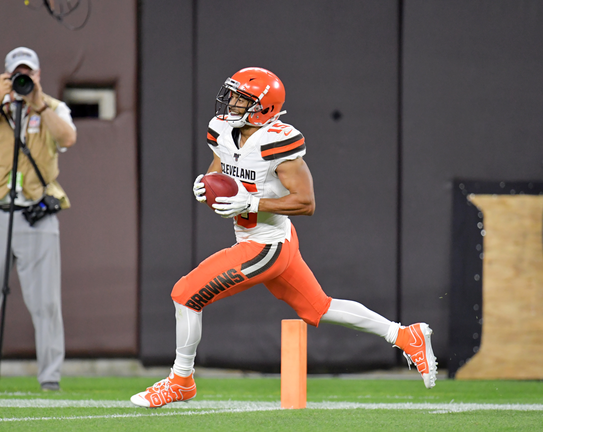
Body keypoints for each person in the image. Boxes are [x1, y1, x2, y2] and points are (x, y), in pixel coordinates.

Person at [130, 67, 437, 408]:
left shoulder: (277, 140)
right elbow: (219, 169)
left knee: (185, 294)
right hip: (269, 241)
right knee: (320, 307)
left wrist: (253, 202)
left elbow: (306, 203)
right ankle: (404, 335)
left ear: (264, 107)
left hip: (266, 244)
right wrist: (206, 185)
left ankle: (181, 380)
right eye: (231, 94)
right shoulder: (222, 130)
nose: (230, 103)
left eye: (241, 99)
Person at [0, 47, 77, 392]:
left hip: (35, 213)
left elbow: (67, 137)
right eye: (17, 75)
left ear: (38, 75)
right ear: (5, 75)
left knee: (47, 302)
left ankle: (50, 376)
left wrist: (38, 102)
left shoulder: (53, 108)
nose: (23, 80)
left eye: (29, 74)